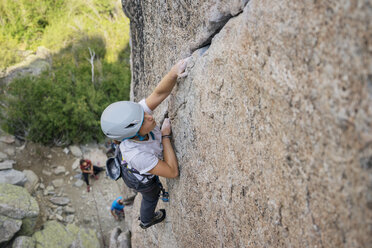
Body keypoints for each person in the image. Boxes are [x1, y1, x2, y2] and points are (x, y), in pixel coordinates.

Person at [100, 57, 189, 229]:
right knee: (152, 194)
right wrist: (165, 137)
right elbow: (172, 171)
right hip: (139, 179)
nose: (149, 116)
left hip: (132, 163)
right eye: (143, 121)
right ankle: (146, 220)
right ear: (132, 133)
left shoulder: (134, 117)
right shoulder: (138, 155)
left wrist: (174, 72)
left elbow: (159, 94)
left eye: (143, 113)